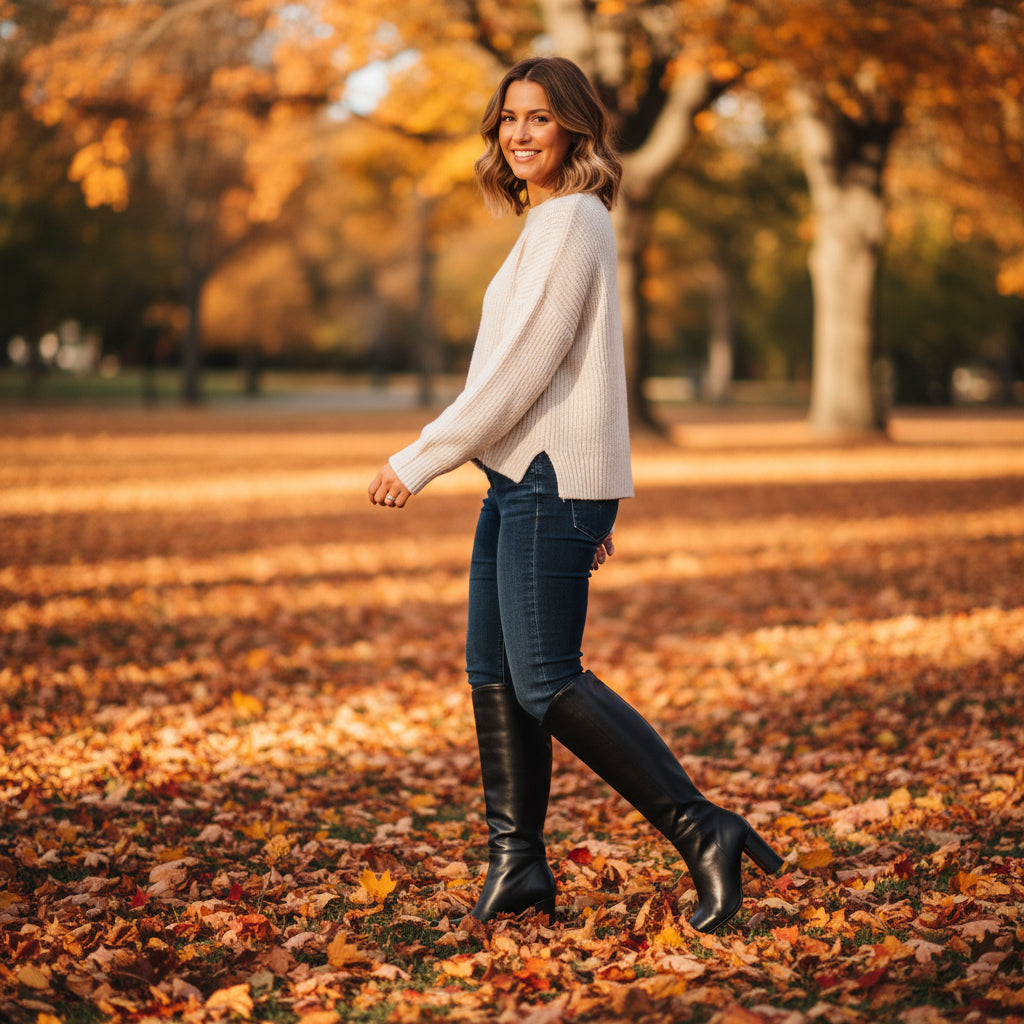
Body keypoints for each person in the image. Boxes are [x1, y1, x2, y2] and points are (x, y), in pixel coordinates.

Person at [368, 56, 783, 933]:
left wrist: (422, 456)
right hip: (519, 479)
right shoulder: (553, 221)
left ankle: (701, 827)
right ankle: (517, 865)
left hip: (550, 480)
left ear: (575, 131)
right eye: (510, 118)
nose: (520, 134)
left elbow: (520, 373)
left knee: (548, 680)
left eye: (540, 119)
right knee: (496, 677)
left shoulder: (573, 223)